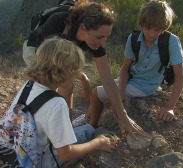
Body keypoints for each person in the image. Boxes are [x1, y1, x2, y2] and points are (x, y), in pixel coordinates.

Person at [23, 0, 147, 138]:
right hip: (37, 50)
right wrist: (79, 75)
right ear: (83, 28)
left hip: (63, 54)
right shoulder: (58, 23)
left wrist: (122, 115)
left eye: (106, 37)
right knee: (49, 90)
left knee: (67, 85)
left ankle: (66, 129)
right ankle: (34, 130)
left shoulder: (94, 41)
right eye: (100, 37)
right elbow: (51, 60)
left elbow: (108, 80)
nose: (103, 43)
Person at [0, 37, 117, 167]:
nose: (76, 76)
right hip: (35, 162)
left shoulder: (29, 85)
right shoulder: (56, 104)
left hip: (14, 152)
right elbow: (66, 153)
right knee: (88, 131)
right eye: (75, 71)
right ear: (65, 72)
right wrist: (97, 143)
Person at [87, 0, 183, 127]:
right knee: (97, 94)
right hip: (131, 78)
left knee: (96, 93)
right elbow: (125, 68)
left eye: (157, 29)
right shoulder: (133, 38)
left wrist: (169, 107)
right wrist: (121, 91)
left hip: (145, 86)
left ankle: (90, 126)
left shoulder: (171, 41)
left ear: (164, 27)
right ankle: (88, 120)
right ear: (142, 24)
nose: (151, 33)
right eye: (148, 28)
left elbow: (180, 76)